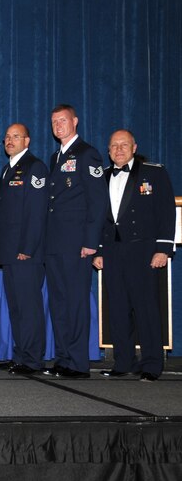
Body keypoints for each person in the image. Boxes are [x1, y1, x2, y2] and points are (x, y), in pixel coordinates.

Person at [93, 130, 175, 382]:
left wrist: (163, 248)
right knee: (117, 309)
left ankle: (151, 364)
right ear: (108, 151)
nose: (119, 149)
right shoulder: (102, 177)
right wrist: (97, 250)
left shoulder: (154, 172)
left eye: (124, 145)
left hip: (143, 250)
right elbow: (96, 218)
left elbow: (166, 211)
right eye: (114, 146)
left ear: (134, 147)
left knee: (146, 308)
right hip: (113, 251)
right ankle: (123, 361)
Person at [43, 104, 108, 379]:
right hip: (55, 244)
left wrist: (91, 242)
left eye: (63, 120)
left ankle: (78, 362)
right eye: (54, 122)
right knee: (58, 303)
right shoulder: (56, 157)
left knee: (76, 302)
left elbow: (97, 201)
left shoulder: (87, 154)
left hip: (77, 244)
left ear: (75, 121)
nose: (58, 125)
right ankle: (63, 358)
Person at [0, 124, 49, 375]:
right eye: (6, 137)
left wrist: (27, 247)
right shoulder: (7, 169)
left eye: (15, 136)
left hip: (26, 252)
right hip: (9, 251)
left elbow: (36, 213)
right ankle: (20, 355)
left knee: (29, 307)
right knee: (16, 307)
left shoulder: (35, 167)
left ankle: (33, 359)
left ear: (27, 140)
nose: (10, 140)